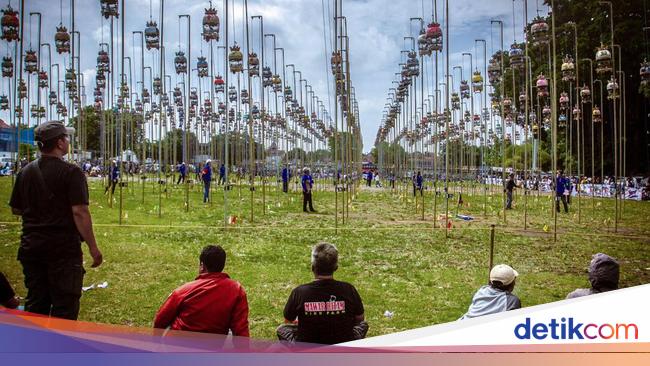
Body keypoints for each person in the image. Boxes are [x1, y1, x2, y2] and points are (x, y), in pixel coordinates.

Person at [9, 121, 103, 320]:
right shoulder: (72, 172)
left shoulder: (25, 172)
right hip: (62, 250)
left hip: (31, 248)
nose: (68, 141)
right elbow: (80, 212)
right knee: (65, 307)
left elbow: (16, 208)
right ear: (60, 143)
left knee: (36, 304)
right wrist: (93, 248)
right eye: (66, 138)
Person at [277, 242, 368, 344]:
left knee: (282, 329)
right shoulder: (349, 289)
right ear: (336, 268)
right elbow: (360, 319)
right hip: (343, 343)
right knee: (363, 325)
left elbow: (288, 320)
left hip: (308, 347)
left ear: (312, 267)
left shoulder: (299, 292)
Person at [154, 245, 249, 336]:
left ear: (202, 266)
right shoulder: (236, 290)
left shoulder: (183, 291)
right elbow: (241, 329)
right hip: (211, 347)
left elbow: (161, 319)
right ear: (222, 265)